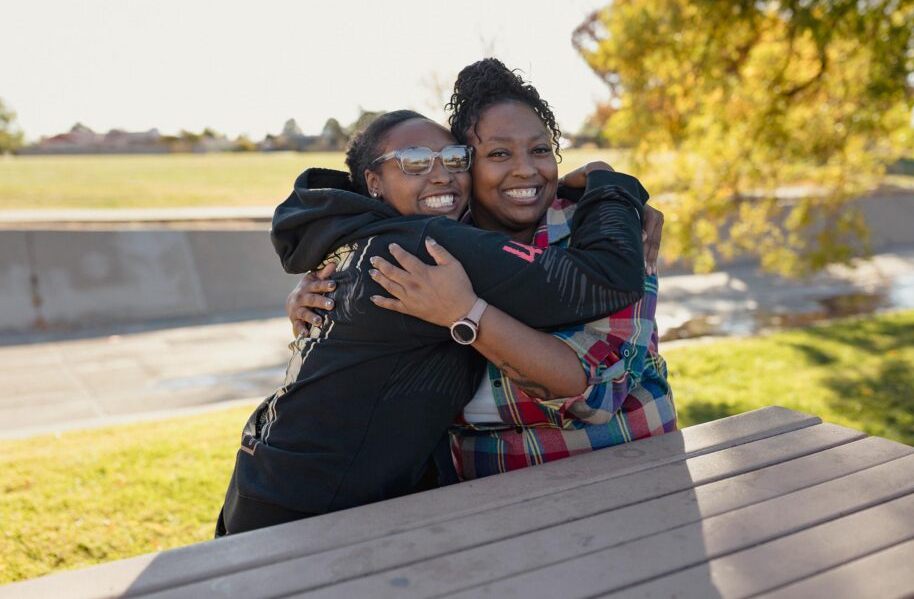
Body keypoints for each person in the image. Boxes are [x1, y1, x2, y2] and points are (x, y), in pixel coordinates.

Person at [218, 109, 650, 535]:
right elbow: (604, 278)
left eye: (455, 159)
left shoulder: (359, 237)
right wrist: (611, 186)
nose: (442, 175)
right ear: (373, 182)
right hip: (312, 510)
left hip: (275, 482)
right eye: (415, 162)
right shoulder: (425, 246)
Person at [288, 58, 676, 481]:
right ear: (466, 165)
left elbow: (598, 396)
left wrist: (467, 314)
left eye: (541, 150)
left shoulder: (606, 228)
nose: (526, 169)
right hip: (485, 495)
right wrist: (313, 304)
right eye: (499, 153)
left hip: (631, 471)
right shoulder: (430, 249)